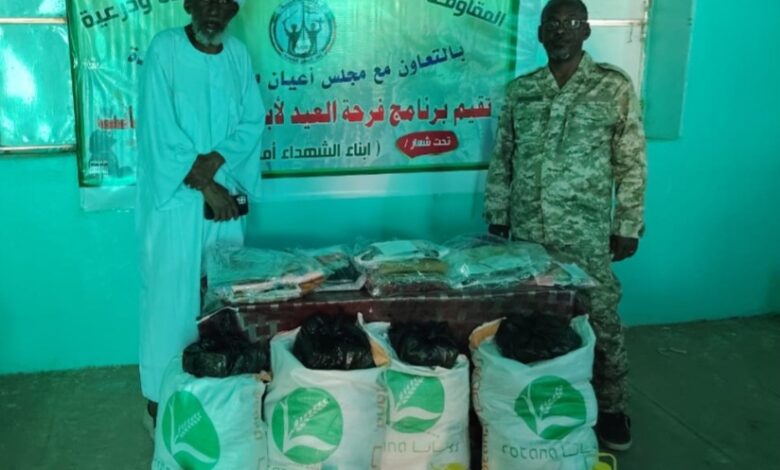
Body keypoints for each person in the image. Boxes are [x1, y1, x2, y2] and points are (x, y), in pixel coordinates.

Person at [484, 0, 647, 451]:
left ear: (586, 31)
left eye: (572, 23)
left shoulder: (612, 87)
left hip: (586, 233)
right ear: (540, 34)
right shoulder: (522, 91)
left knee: (601, 317)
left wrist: (628, 222)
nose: (561, 31)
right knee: (531, 317)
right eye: (552, 24)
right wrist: (498, 214)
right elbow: (504, 157)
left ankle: (612, 406)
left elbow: (631, 161)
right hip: (528, 234)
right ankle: (539, 397)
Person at [136, 0, 264, 432]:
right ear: (188, 4)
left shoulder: (238, 55)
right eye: (205, 1)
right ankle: (161, 398)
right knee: (170, 302)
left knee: (223, 297)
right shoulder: (165, 49)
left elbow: (252, 121)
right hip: (176, 207)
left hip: (225, 200)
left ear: (235, 9)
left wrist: (217, 162)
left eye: (224, 3)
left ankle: (217, 391)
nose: (214, 11)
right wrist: (207, 185)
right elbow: (158, 129)